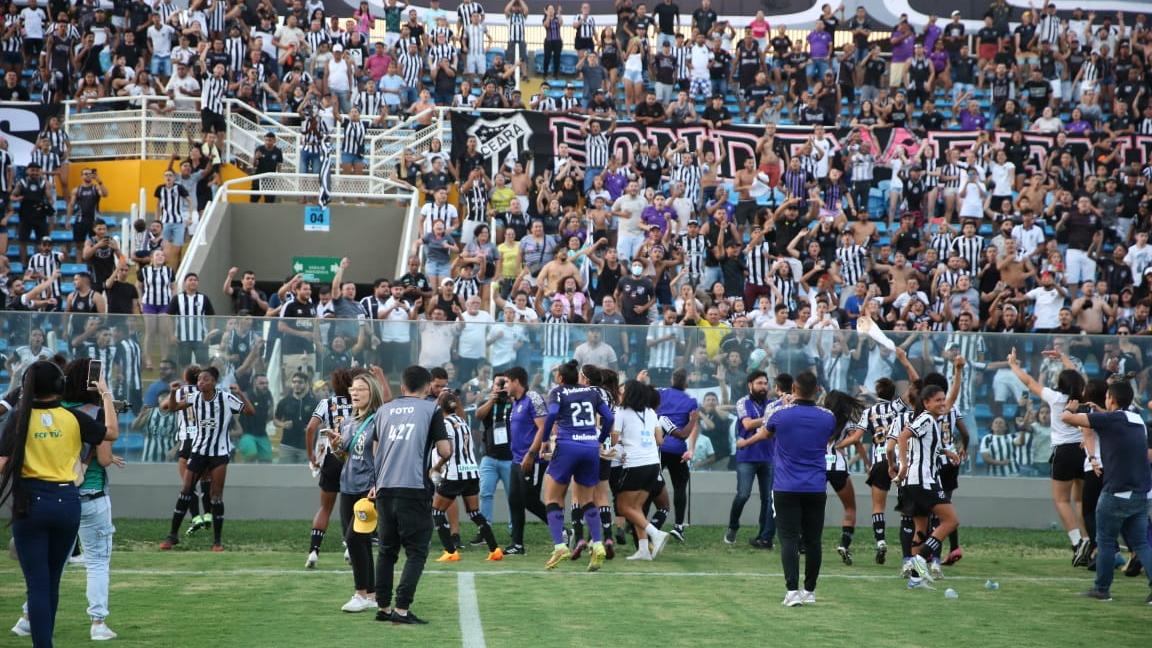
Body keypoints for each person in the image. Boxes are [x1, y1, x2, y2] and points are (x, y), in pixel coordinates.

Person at [0, 361, 119, 648]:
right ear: (58, 386)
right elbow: (111, 433)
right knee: (52, 580)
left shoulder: (19, 418)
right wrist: (105, 395)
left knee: (38, 583)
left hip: (31, 502)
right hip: (68, 502)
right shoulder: (73, 417)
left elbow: (2, 465)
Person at [744, 371, 836, 607]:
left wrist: (745, 442)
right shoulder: (828, 417)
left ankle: (792, 592)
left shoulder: (780, 414)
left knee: (788, 539)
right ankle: (810, 591)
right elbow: (826, 439)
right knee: (813, 540)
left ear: (793, 389)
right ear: (817, 390)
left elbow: (764, 433)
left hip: (786, 486)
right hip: (815, 486)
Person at [370, 365, 451, 625]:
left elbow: (375, 448)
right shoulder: (431, 409)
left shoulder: (384, 410)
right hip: (413, 487)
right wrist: (434, 467)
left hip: (384, 487)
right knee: (416, 551)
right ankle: (402, 609)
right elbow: (445, 450)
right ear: (428, 387)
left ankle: (382, 607)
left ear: (402, 386)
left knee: (386, 550)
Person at [1059, 380, 1152, 603]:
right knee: (1141, 543)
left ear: (1111, 398)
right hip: (1141, 492)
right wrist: (1100, 413)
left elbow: (1067, 419)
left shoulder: (1110, 420)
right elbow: (1115, 424)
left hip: (1116, 492)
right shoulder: (1137, 419)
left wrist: (1070, 408)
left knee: (1106, 541)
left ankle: (1102, 589)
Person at [1007, 347, 1090, 562]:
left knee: (1062, 501)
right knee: (1080, 500)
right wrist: (1064, 358)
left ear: (1060, 384)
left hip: (1063, 451)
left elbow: (1029, 382)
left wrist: (1014, 365)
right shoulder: (1084, 396)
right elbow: (1078, 377)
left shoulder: (1055, 398)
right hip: (1084, 450)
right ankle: (1087, 538)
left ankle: (1077, 542)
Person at [531, 360, 615, 571]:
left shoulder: (557, 392)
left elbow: (551, 414)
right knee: (588, 499)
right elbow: (609, 416)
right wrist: (599, 440)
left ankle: (560, 545)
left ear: (560, 378)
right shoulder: (592, 392)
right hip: (589, 447)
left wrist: (543, 442)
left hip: (567, 446)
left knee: (552, 497)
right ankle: (597, 544)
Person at [161, 367, 254, 551]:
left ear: (214, 382)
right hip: (198, 450)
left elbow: (250, 411)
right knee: (186, 491)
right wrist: (172, 392)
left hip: (219, 453)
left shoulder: (225, 398)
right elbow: (172, 409)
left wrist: (241, 393)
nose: (200, 382)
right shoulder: (194, 397)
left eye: (205, 379)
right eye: (199, 380)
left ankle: (217, 541)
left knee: (216, 496)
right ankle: (172, 536)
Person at [328, 371, 385, 613]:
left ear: (371, 392)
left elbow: (380, 455)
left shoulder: (377, 420)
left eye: (361, 388)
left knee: (355, 538)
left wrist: (377, 484)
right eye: (353, 388)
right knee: (355, 543)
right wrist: (336, 447)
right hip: (348, 484)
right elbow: (347, 456)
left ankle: (361, 593)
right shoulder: (349, 422)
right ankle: (371, 595)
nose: (355, 392)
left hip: (367, 488)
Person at [429, 390, 504, 562]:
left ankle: (450, 551)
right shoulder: (462, 422)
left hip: (455, 474)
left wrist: (436, 467)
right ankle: (495, 550)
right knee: (474, 513)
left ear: (440, 406)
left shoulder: (444, 424)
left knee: (437, 511)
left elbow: (447, 452)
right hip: (471, 470)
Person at [611, 379, 670, 560]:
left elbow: (613, 440)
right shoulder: (651, 412)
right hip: (653, 465)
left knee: (622, 506)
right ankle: (643, 550)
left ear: (628, 394)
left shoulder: (621, 412)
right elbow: (660, 440)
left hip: (635, 464)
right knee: (636, 507)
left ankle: (656, 534)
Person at [725, 371, 784, 548]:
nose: (763, 387)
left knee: (768, 499)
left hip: (769, 457)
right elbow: (748, 424)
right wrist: (771, 416)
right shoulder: (743, 402)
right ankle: (733, 527)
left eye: (765, 383)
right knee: (743, 494)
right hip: (747, 456)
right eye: (759, 383)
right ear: (750, 385)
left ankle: (763, 536)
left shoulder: (772, 403)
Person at [304, 369, 354, 569]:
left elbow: (310, 428)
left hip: (331, 459)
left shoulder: (326, 403)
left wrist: (311, 455)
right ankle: (350, 548)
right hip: (352, 458)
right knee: (353, 506)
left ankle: (314, 551)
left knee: (325, 508)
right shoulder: (358, 403)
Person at [504, 365, 548, 555]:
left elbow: (543, 427)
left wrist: (531, 454)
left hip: (532, 459)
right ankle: (517, 545)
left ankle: (562, 530)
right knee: (514, 500)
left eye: (506, 381)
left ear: (516, 381)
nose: (504, 385)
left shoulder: (533, 398)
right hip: (516, 459)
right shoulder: (515, 403)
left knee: (529, 500)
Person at [655, 368, 698, 542]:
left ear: (672, 379)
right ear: (686, 382)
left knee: (650, 485)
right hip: (677, 449)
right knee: (680, 487)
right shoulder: (691, 401)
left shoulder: (660, 393)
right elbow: (692, 425)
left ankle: (636, 521)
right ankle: (679, 526)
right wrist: (691, 449)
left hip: (658, 446)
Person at [824, 390, 865, 566]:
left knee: (813, 507)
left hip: (819, 467)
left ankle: (803, 541)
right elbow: (857, 444)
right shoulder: (847, 422)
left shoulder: (820, 418)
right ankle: (844, 544)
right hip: (838, 468)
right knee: (850, 508)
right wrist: (868, 464)